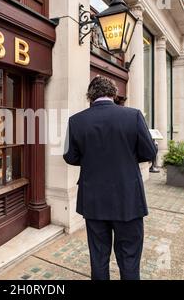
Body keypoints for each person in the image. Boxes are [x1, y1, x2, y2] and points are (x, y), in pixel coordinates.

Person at [63, 76, 157, 280]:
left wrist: (92, 160)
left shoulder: (76, 121)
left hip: (94, 199)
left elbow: (70, 157)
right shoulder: (133, 116)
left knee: (98, 257)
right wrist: (127, 157)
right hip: (128, 199)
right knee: (129, 257)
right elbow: (149, 152)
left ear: (90, 95)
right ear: (114, 93)